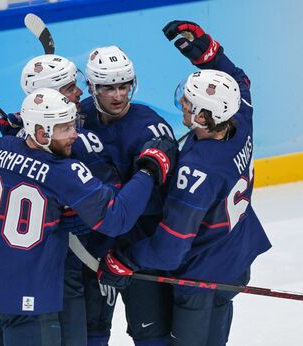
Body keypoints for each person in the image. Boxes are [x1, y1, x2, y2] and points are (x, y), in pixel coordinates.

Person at [98, 20, 272, 345]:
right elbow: (238, 81)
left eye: (190, 104)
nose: (183, 105)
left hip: (201, 276)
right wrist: (206, 51)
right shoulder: (240, 119)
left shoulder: (197, 171)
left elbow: (170, 248)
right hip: (235, 257)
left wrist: (123, 259)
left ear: (205, 117)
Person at [0, 87, 177, 346]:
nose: (75, 134)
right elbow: (117, 218)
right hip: (27, 297)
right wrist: (149, 169)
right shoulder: (65, 173)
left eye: (73, 124)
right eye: (65, 129)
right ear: (42, 133)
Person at [0, 53, 123, 345]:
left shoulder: (46, 139)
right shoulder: (34, 145)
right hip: (60, 261)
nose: (79, 92)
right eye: (69, 88)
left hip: (92, 252)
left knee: (91, 329)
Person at [80, 45, 176, 346]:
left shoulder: (150, 126)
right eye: (109, 88)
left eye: (124, 86)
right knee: (91, 331)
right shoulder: (79, 116)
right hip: (90, 247)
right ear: (92, 88)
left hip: (137, 249)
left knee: (151, 334)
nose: (119, 96)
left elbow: (165, 200)